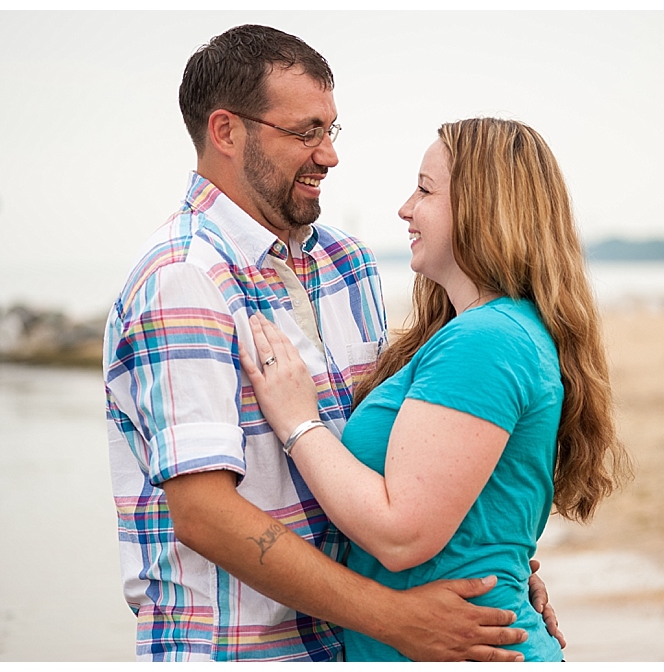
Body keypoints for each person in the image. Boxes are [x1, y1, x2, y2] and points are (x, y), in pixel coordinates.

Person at [103, 26, 562, 662]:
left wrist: (499, 563)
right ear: (227, 131)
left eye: (331, 130)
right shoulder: (184, 277)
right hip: (240, 652)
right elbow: (204, 514)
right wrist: (396, 618)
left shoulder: (349, 265)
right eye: (305, 132)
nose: (329, 155)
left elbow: (411, 462)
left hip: (351, 647)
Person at [240, 117, 634, 661]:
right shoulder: (484, 332)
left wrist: (297, 421)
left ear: (482, 207)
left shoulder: (487, 339)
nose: (405, 208)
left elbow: (403, 535)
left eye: (425, 190)